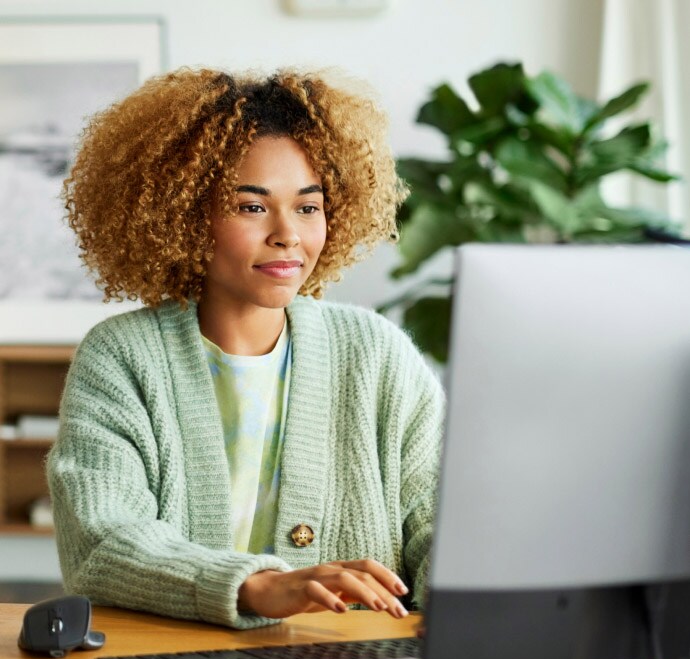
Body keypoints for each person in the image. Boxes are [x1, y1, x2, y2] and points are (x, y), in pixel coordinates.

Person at [48, 67, 444, 630]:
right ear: (184, 217)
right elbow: (102, 541)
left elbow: (440, 526)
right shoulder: (122, 358)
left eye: (308, 207)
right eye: (252, 206)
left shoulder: (378, 354)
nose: (288, 233)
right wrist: (256, 587)